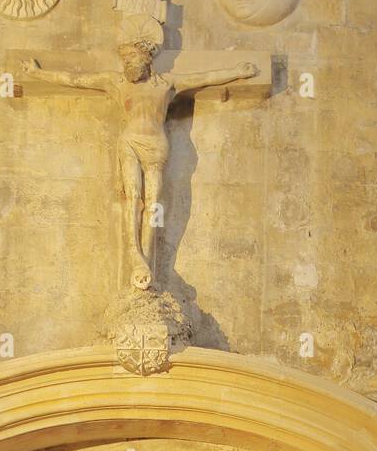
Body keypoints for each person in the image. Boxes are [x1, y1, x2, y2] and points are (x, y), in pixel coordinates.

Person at [22, 46, 258, 289]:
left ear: (147, 61)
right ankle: (134, 253)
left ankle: (146, 252)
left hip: (156, 146)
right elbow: (76, 79)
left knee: (154, 202)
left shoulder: (166, 84)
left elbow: (205, 78)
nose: (128, 64)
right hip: (130, 143)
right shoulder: (116, 82)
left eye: (133, 58)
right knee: (133, 198)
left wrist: (237, 72)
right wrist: (37, 73)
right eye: (125, 60)